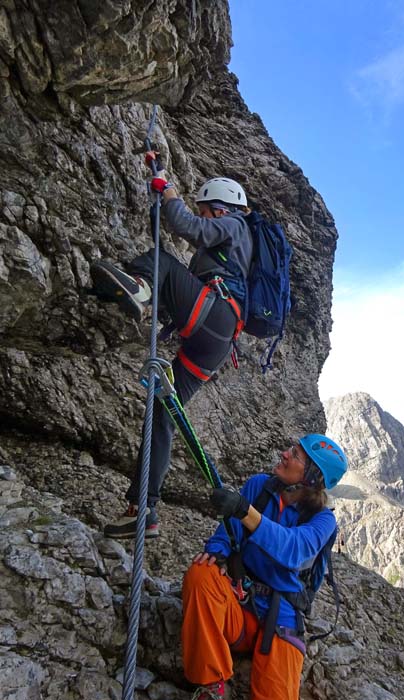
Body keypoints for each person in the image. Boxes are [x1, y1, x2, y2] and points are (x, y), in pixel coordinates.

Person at [91, 159, 253, 538]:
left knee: (159, 261)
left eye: (205, 210)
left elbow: (185, 227)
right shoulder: (229, 245)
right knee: (162, 414)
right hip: (212, 343)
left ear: (220, 206)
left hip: (214, 318)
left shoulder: (234, 224)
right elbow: (169, 228)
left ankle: (140, 289)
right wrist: (158, 196)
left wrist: (169, 190)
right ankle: (142, 509)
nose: (204, 216)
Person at [182, 434, 348, 700]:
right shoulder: (260, 487)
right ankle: (210, 685)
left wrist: (245, 511)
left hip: (281, 618)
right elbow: (227, 534)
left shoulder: (323, 520)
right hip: (239, 603)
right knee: (202, 574)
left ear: (312, 477)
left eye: (295, 455)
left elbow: (293, 549)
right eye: (291, 449)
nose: (284, 454)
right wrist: (217, 553)